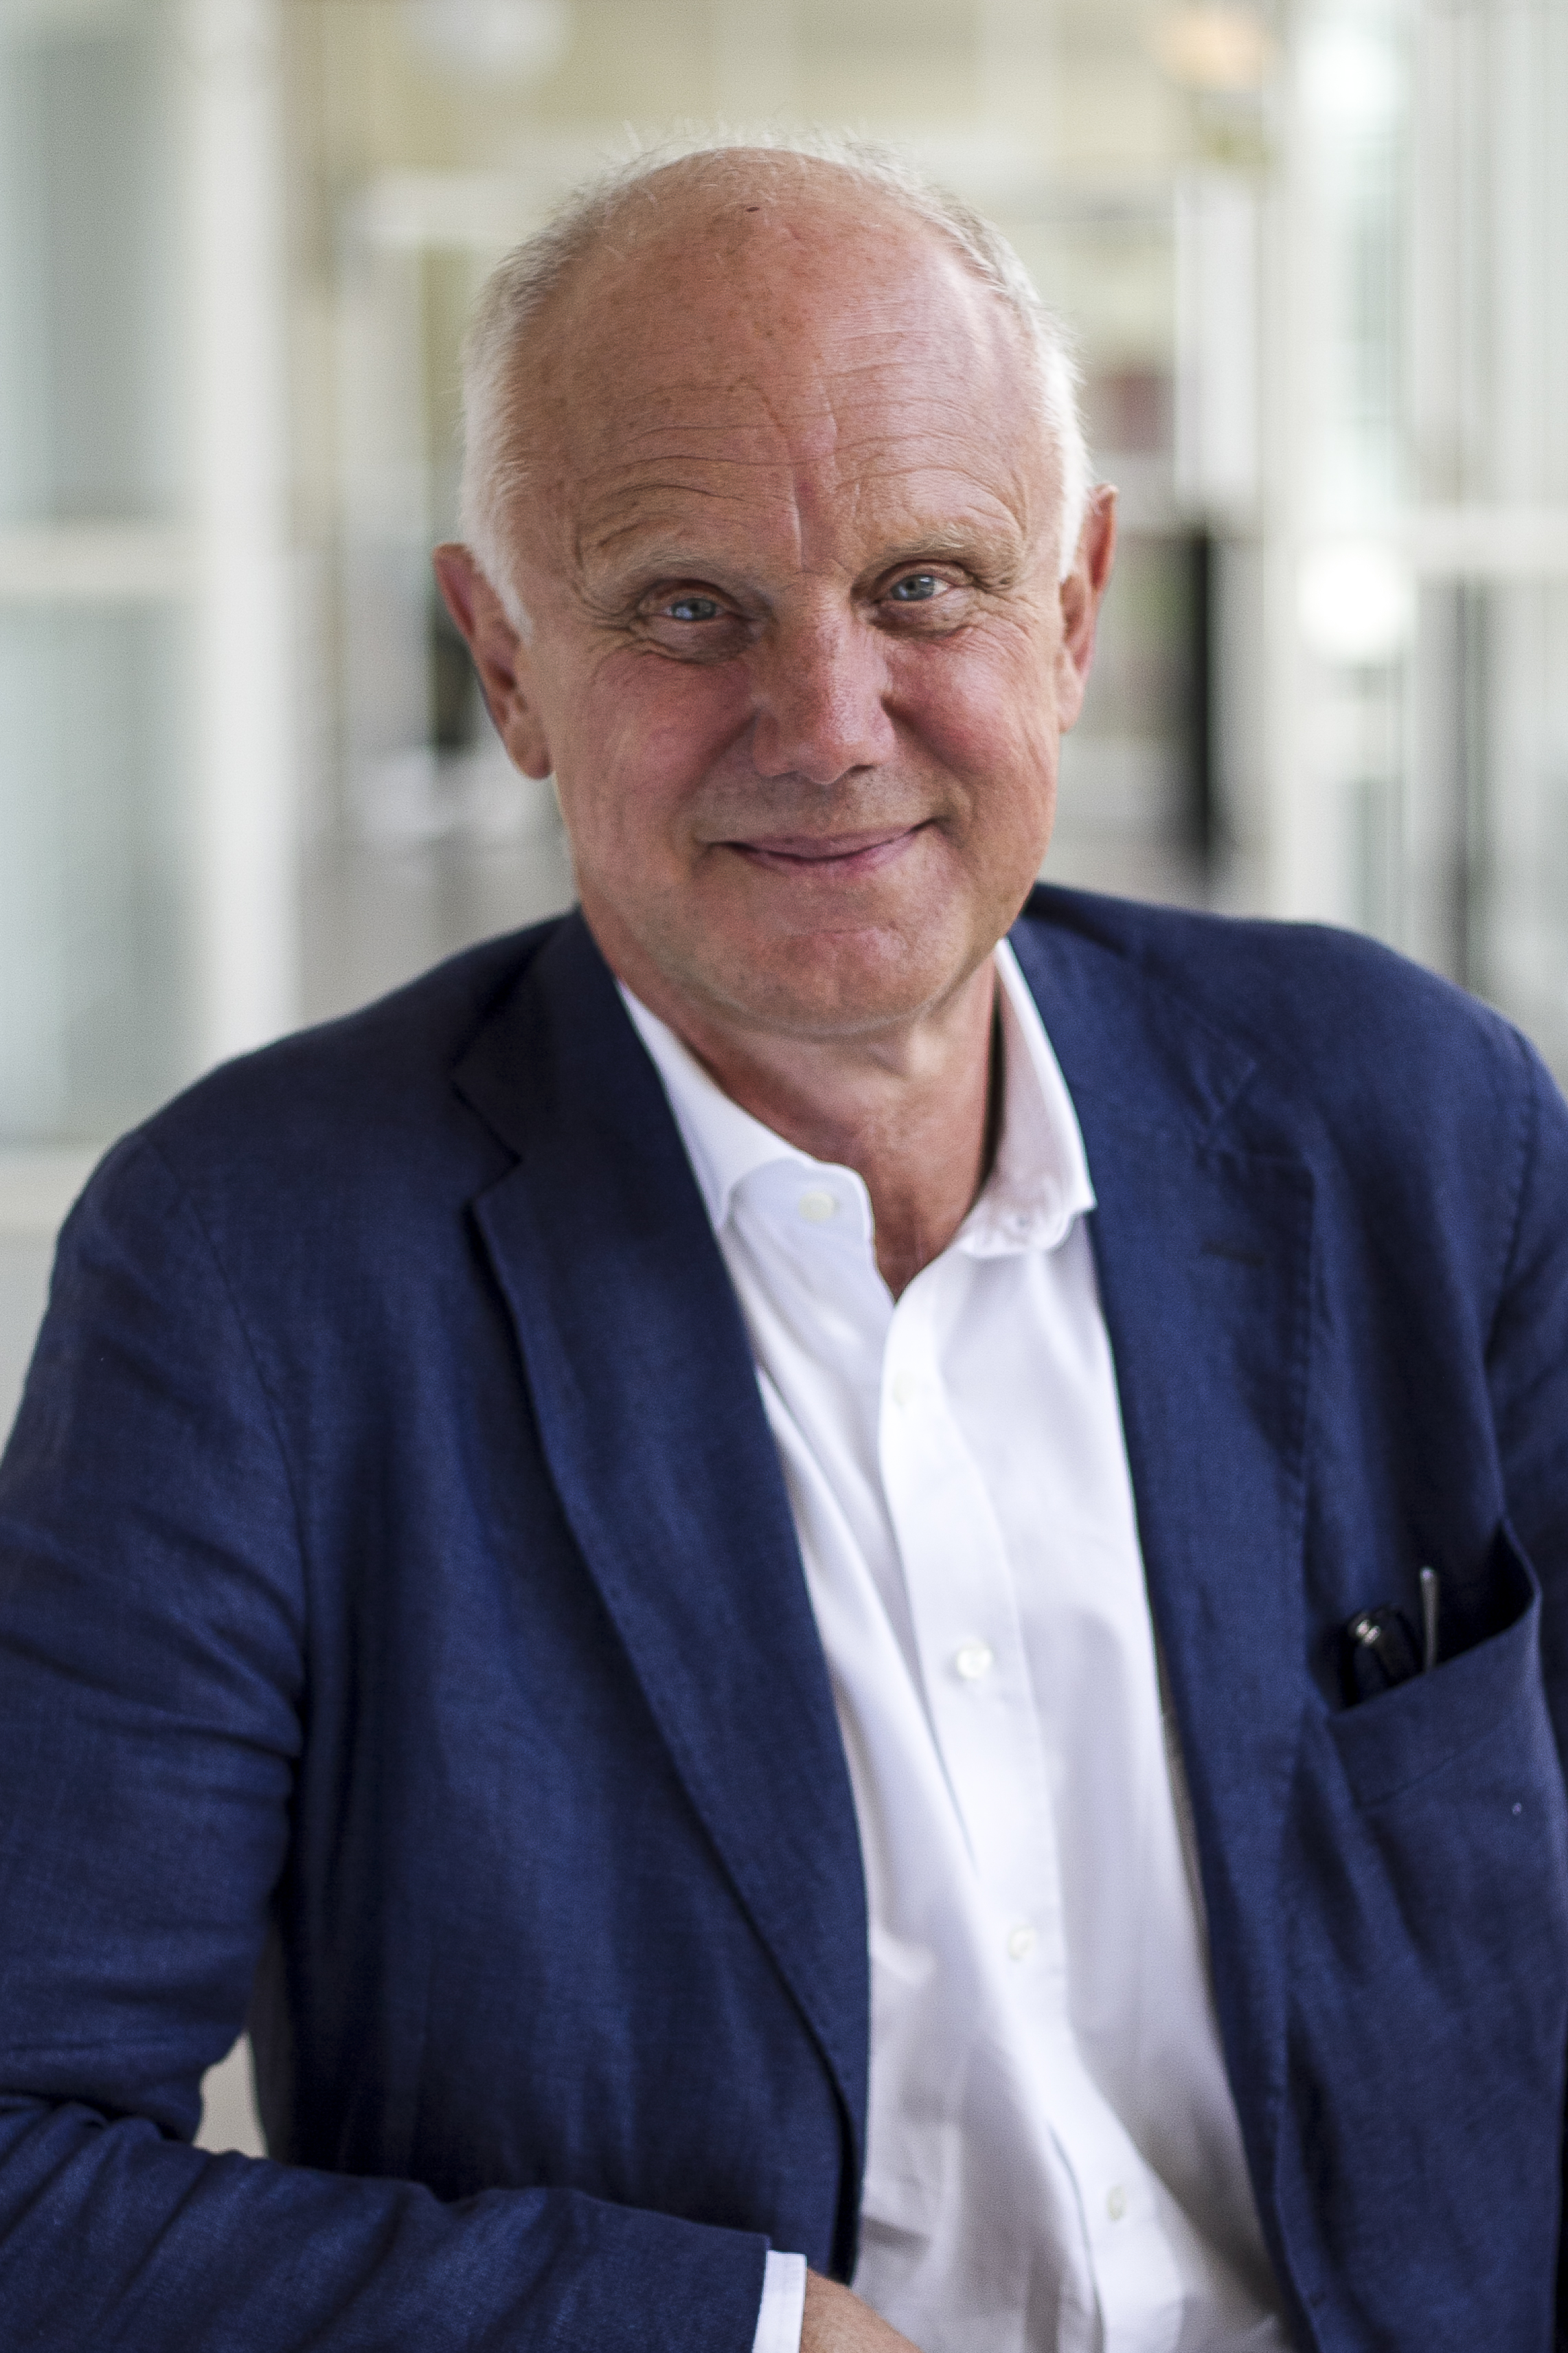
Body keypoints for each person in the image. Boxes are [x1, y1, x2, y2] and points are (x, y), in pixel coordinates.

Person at [0, 137, 1565, 2353]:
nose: (827, 725)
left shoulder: (1411, 1120)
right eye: (683, 606)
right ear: (505, 661)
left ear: (1074, 614)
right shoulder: (249, 1273)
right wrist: (735, 2335)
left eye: (924, 584)